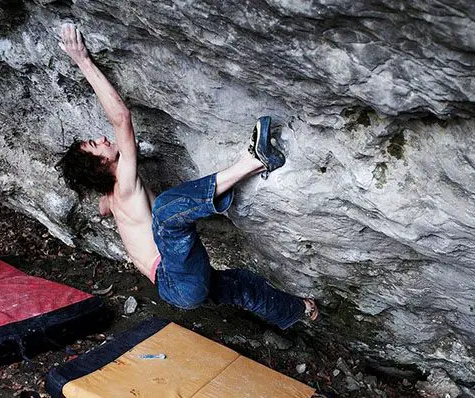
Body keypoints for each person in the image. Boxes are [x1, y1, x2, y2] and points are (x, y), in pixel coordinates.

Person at [56, 24, 318, 329]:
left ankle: (299, 310)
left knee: (241, 286)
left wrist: (104, 203)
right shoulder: (123, 187)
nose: (102, 138)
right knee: (166, 210)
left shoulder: (112, 198)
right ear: (99, 164)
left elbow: (103, 207)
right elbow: (121, 118)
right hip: (175, 279)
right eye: (95, 145)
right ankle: (253, 161)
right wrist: (82, 61)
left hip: (179, 287)